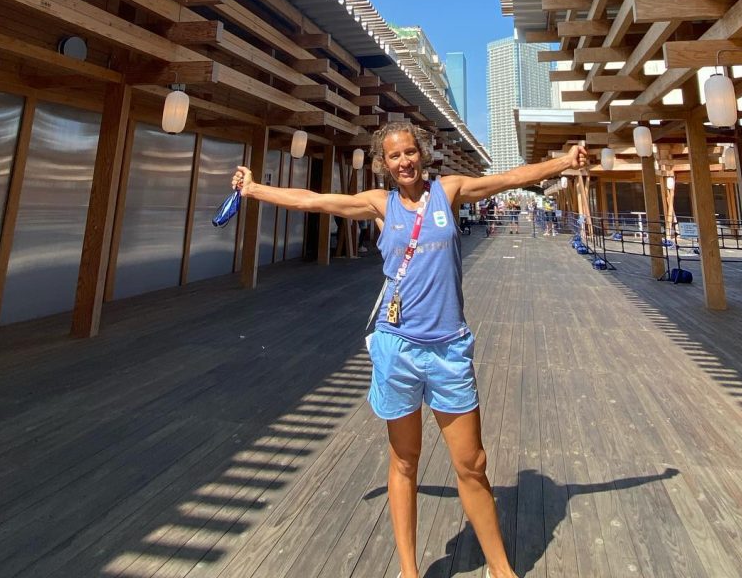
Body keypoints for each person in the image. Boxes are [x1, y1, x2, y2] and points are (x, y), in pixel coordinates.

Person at [232, 120, 586, 578]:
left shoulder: (450, 190)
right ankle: (408, 570)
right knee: (404, 460)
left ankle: (501, 570)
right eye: (395, 156)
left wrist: (563, 161)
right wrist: (255, 189)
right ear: (384, 163)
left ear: (423, 154)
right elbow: (315, 200)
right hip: (397, 347)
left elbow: (507, 179)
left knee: (473, 464)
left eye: (410, 152)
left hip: (448, 348)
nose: (405, 162)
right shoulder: (380, 204)